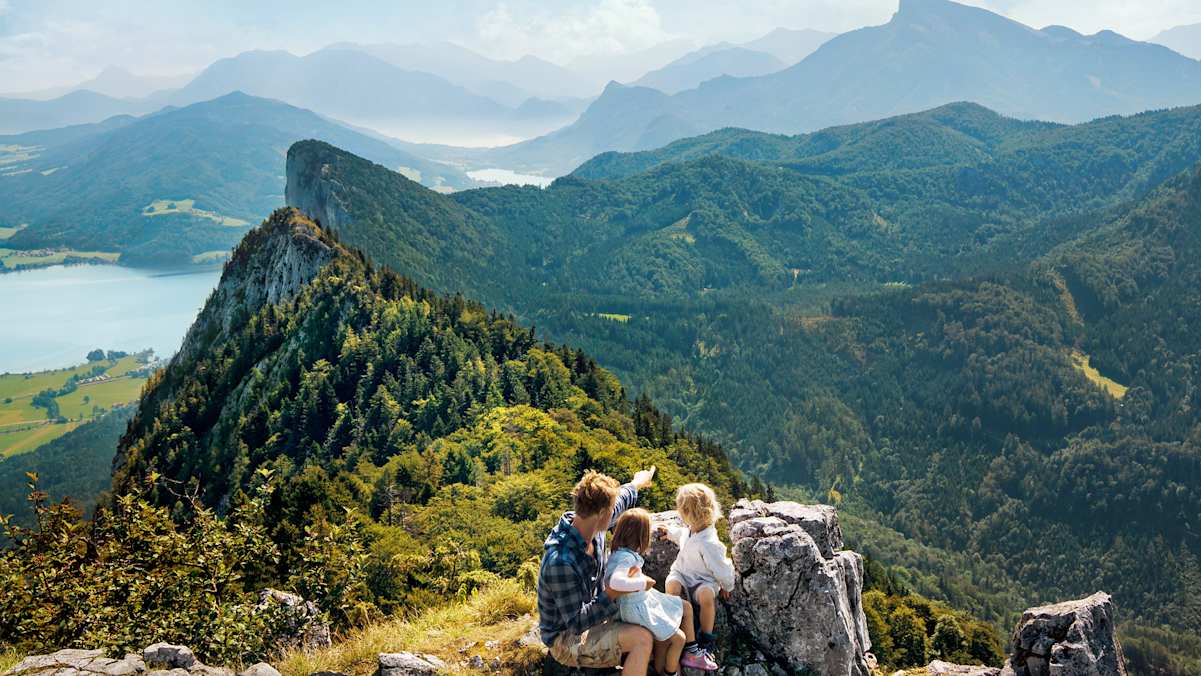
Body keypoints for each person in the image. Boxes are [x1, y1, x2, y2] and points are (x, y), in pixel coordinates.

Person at [538, 466, 658, 675]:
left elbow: (622, 498)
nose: (615, 514)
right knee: (643, 640)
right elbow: (576, 623)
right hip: (565, 638)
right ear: (603, 513)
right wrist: (613, 592)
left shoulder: (591, 523)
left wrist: (639, 481)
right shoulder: (560, 561)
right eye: (611, 511)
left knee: (659, 631)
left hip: (591, 616)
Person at [606, 508, 709, 675]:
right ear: (642, 535)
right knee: (678, 639)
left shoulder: (621, 553)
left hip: (643, 600)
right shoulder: (625, 558)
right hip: (636, 607)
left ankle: (683, 656)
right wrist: (642, 582)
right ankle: (670, 672)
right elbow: (615, 581)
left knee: (684, 609)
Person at [658, 483, 735, 669]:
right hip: (682, 574)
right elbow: (682, 535)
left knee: (707, 597)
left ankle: (705, 641)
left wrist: (727, 585)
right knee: (672, 585)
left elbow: (722, 568)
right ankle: (674, 625)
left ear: (687, 513)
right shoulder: (692, 530)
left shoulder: (710, 543)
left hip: (703, 581)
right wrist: (669, 532)